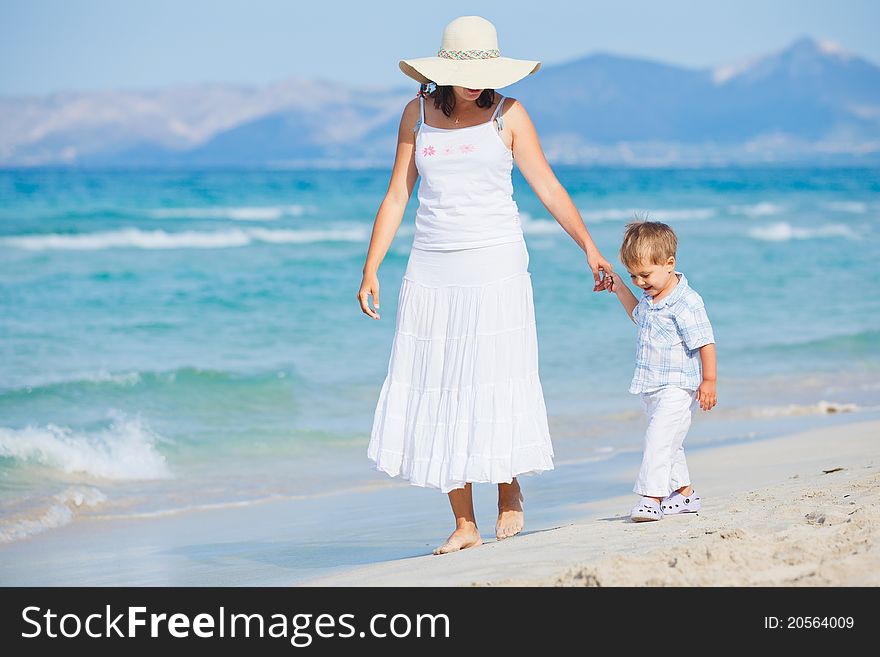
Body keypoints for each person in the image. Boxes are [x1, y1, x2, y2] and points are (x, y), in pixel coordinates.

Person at [358, 15, 613, 553]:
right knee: (441, 384)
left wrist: (588, 247)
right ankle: (464, 523)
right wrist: (371, 267)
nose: (478, 81)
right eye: (467, 71)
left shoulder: (509, 115)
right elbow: (398, 194)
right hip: (431, 267)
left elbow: (545, 183)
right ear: (443, 70)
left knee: (496, 375)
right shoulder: (416, 113)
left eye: (486, 70)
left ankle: (508, 484)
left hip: (497, 263)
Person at [603, 220, 717, 522]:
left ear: (669, 264)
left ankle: (651, 498)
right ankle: (684, 495)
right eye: (633, 276)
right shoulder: (650, 300)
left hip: (678, 387)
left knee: (657, 439)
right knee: (669, 442)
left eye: (645, 275)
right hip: (652, 386)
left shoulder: (686, 302)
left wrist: (709, 380)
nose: (640, 282)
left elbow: (705, 340)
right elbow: (636, 316)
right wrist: (618, 286)